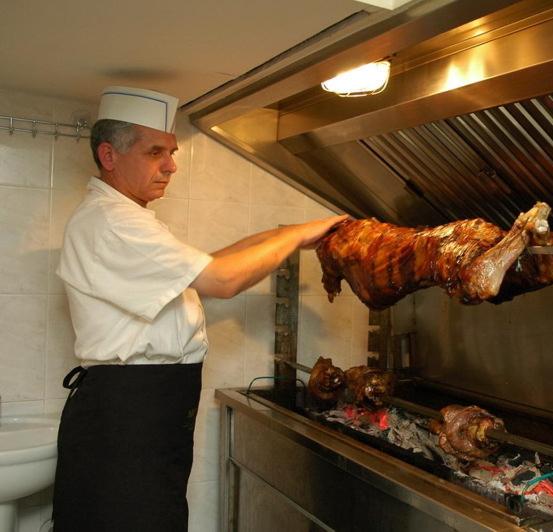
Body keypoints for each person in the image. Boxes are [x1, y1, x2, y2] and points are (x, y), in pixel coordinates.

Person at [52, 86, 347, 531]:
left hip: (147, 406)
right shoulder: (113, 221)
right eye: (155, 152)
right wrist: (296, 238)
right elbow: (221, 280)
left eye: (171, 152)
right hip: (129, 413)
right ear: (109, 156)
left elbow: (207, 266)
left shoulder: (127, 217)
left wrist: (284, 233)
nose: (171, 165)